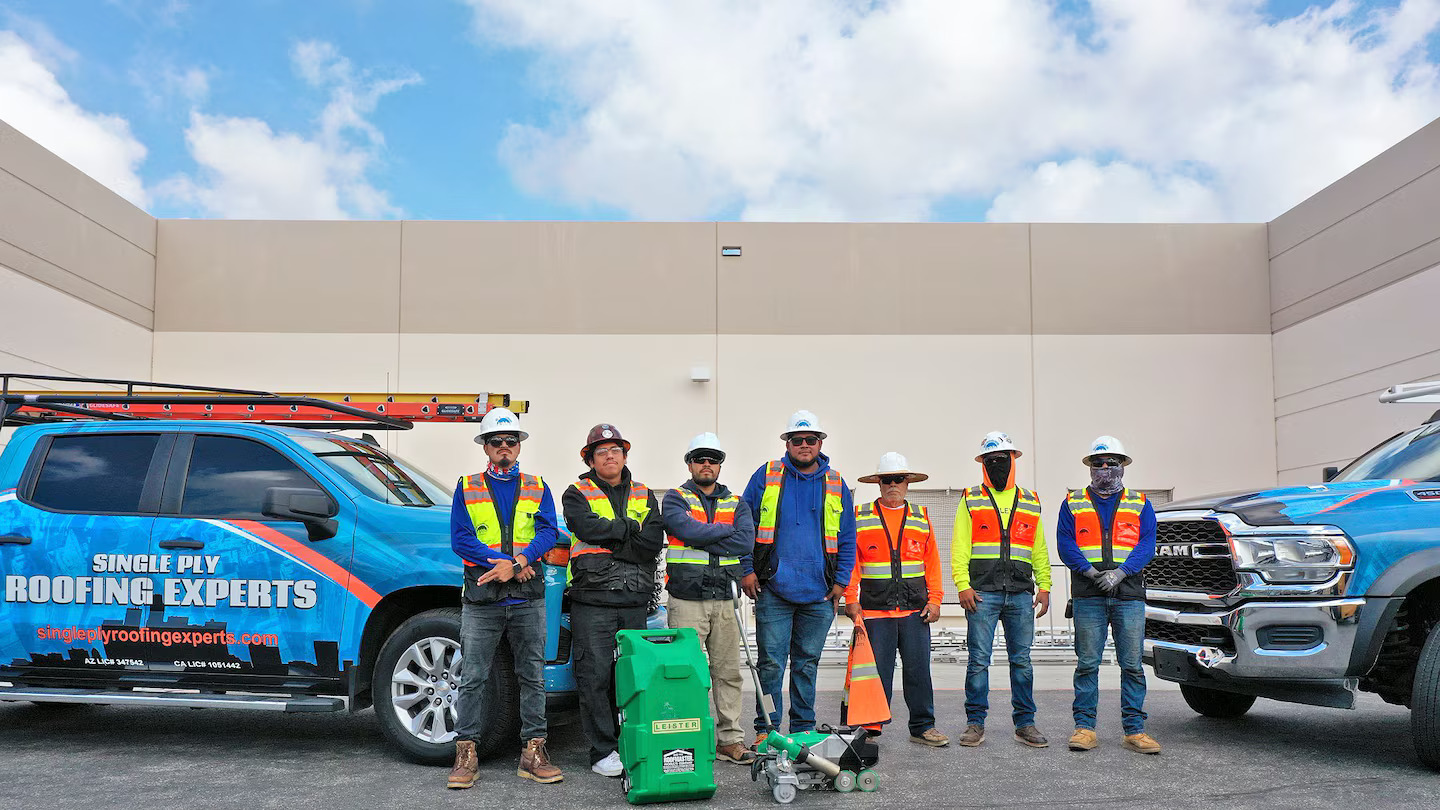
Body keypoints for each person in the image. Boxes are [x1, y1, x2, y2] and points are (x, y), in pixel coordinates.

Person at [448, 407, 563, 788]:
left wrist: (518, 562)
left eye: (510, 441)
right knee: (473, 678)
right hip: (482, 602)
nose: (503, 447)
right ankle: (465, 754)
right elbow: (460, 539)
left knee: (532, 676)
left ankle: (534, 751)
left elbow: (549, 532)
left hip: (527, 599)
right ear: (485, 447)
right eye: (496, 441)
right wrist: (505, 563)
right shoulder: (467, 485)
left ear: (519, 446)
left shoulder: (537, 485)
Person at [741, 410, 858, 747]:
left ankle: (802, 729)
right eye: (798, 440)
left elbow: (847, 536)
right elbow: (744, 523)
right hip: (773, 589)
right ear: (788, 444)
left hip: (820, 592)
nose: (804, 445)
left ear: (820, 443)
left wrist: (841, 583)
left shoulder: (835, 482)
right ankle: (767, 729)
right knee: (771, 664)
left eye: (811, 440)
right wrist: (747, 569)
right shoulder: (767, 474)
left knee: (807, 665)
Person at [561, 423, 665, 777]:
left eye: (616, 450)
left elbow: (652, 542)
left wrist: (618, 536)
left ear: (625, 454)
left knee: (632, 677)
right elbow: (586, 528)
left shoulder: (643, 491)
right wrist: (628, 530)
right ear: (590, 458)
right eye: (602, 451)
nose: (610, 455)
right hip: (592, 600)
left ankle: (630, 743)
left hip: (635, 600)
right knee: (594, 677)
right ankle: (603, 751)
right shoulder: (576, 492)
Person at [1058, 436, 1161, 755]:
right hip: (1088, 595)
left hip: (1129, 595)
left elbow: (1147, 543)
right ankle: (1084, 728)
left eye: (1111, 463)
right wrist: (1091, 573)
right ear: (1089, 467)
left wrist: (1120, 572)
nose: (1105, 468)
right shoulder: (1072, 502)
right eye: (1098, 463)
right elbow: (1066, 543)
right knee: (1087, 663)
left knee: (1131, 664)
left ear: (1123, 466)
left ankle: (1135, 730)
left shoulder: (1140, 502)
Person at [951, 431, 1052, 749]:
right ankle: (975, 723)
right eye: (991, 460)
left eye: (1002, 459)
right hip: (982, 593)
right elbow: (959, 545)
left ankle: (1025, 724)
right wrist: (962, 584)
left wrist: (1045, 585)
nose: (997, 465)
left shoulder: (1031, 500)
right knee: (978, 661)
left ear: (1013, 461)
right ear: (982, 464)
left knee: (1022, 661)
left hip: (1021, 593)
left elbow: (1039, 547)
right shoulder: (971, 497)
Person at [662, 432, 757, 765]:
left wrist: (704, 537)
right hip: (687, 599)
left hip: (725, 599)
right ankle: (689, 739)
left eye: (712, 459)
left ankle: (730, 740)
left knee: (728, 672)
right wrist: (722, 533)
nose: (706, 464)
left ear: (719, 465)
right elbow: (685, 531)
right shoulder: (674, 498)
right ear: (689, 463)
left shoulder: (738, 502)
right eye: (700, 458)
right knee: (686, 672)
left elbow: (746, 543)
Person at [845, 452, 949, 747]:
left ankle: (923, 726)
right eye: (887, 479)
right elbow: (852, 562)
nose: (893, 485)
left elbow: (932, 563)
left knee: (919, 670)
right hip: (875, 611)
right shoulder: (859, 516)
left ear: (907, 483)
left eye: (898, 479)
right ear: (878, 483)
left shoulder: (921, 516)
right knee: (876, 674)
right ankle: (871, 726)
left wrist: (936, 600)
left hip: (915, 610)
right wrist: (851, 600)